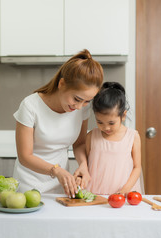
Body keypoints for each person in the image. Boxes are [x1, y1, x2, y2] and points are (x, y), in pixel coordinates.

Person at [13, 49, 104, 198]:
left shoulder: (81, 109)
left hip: (62, 184)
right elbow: (25, 156)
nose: (80, 106)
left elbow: (80, 143)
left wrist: (83, 165)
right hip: (28, 186)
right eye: (76, 99)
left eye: (87, 101)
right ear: (62, 84)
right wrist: (56, 170)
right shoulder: (30, 105)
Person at [86, 82, 144, 195]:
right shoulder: (91, 136)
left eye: (111, 123)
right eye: (100, 122)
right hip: (95, 192)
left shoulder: (133, 136)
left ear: (123, 116)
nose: (106, 127)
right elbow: (88, 165)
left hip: (123, 194)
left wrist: (125, 190)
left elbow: (137, 167)